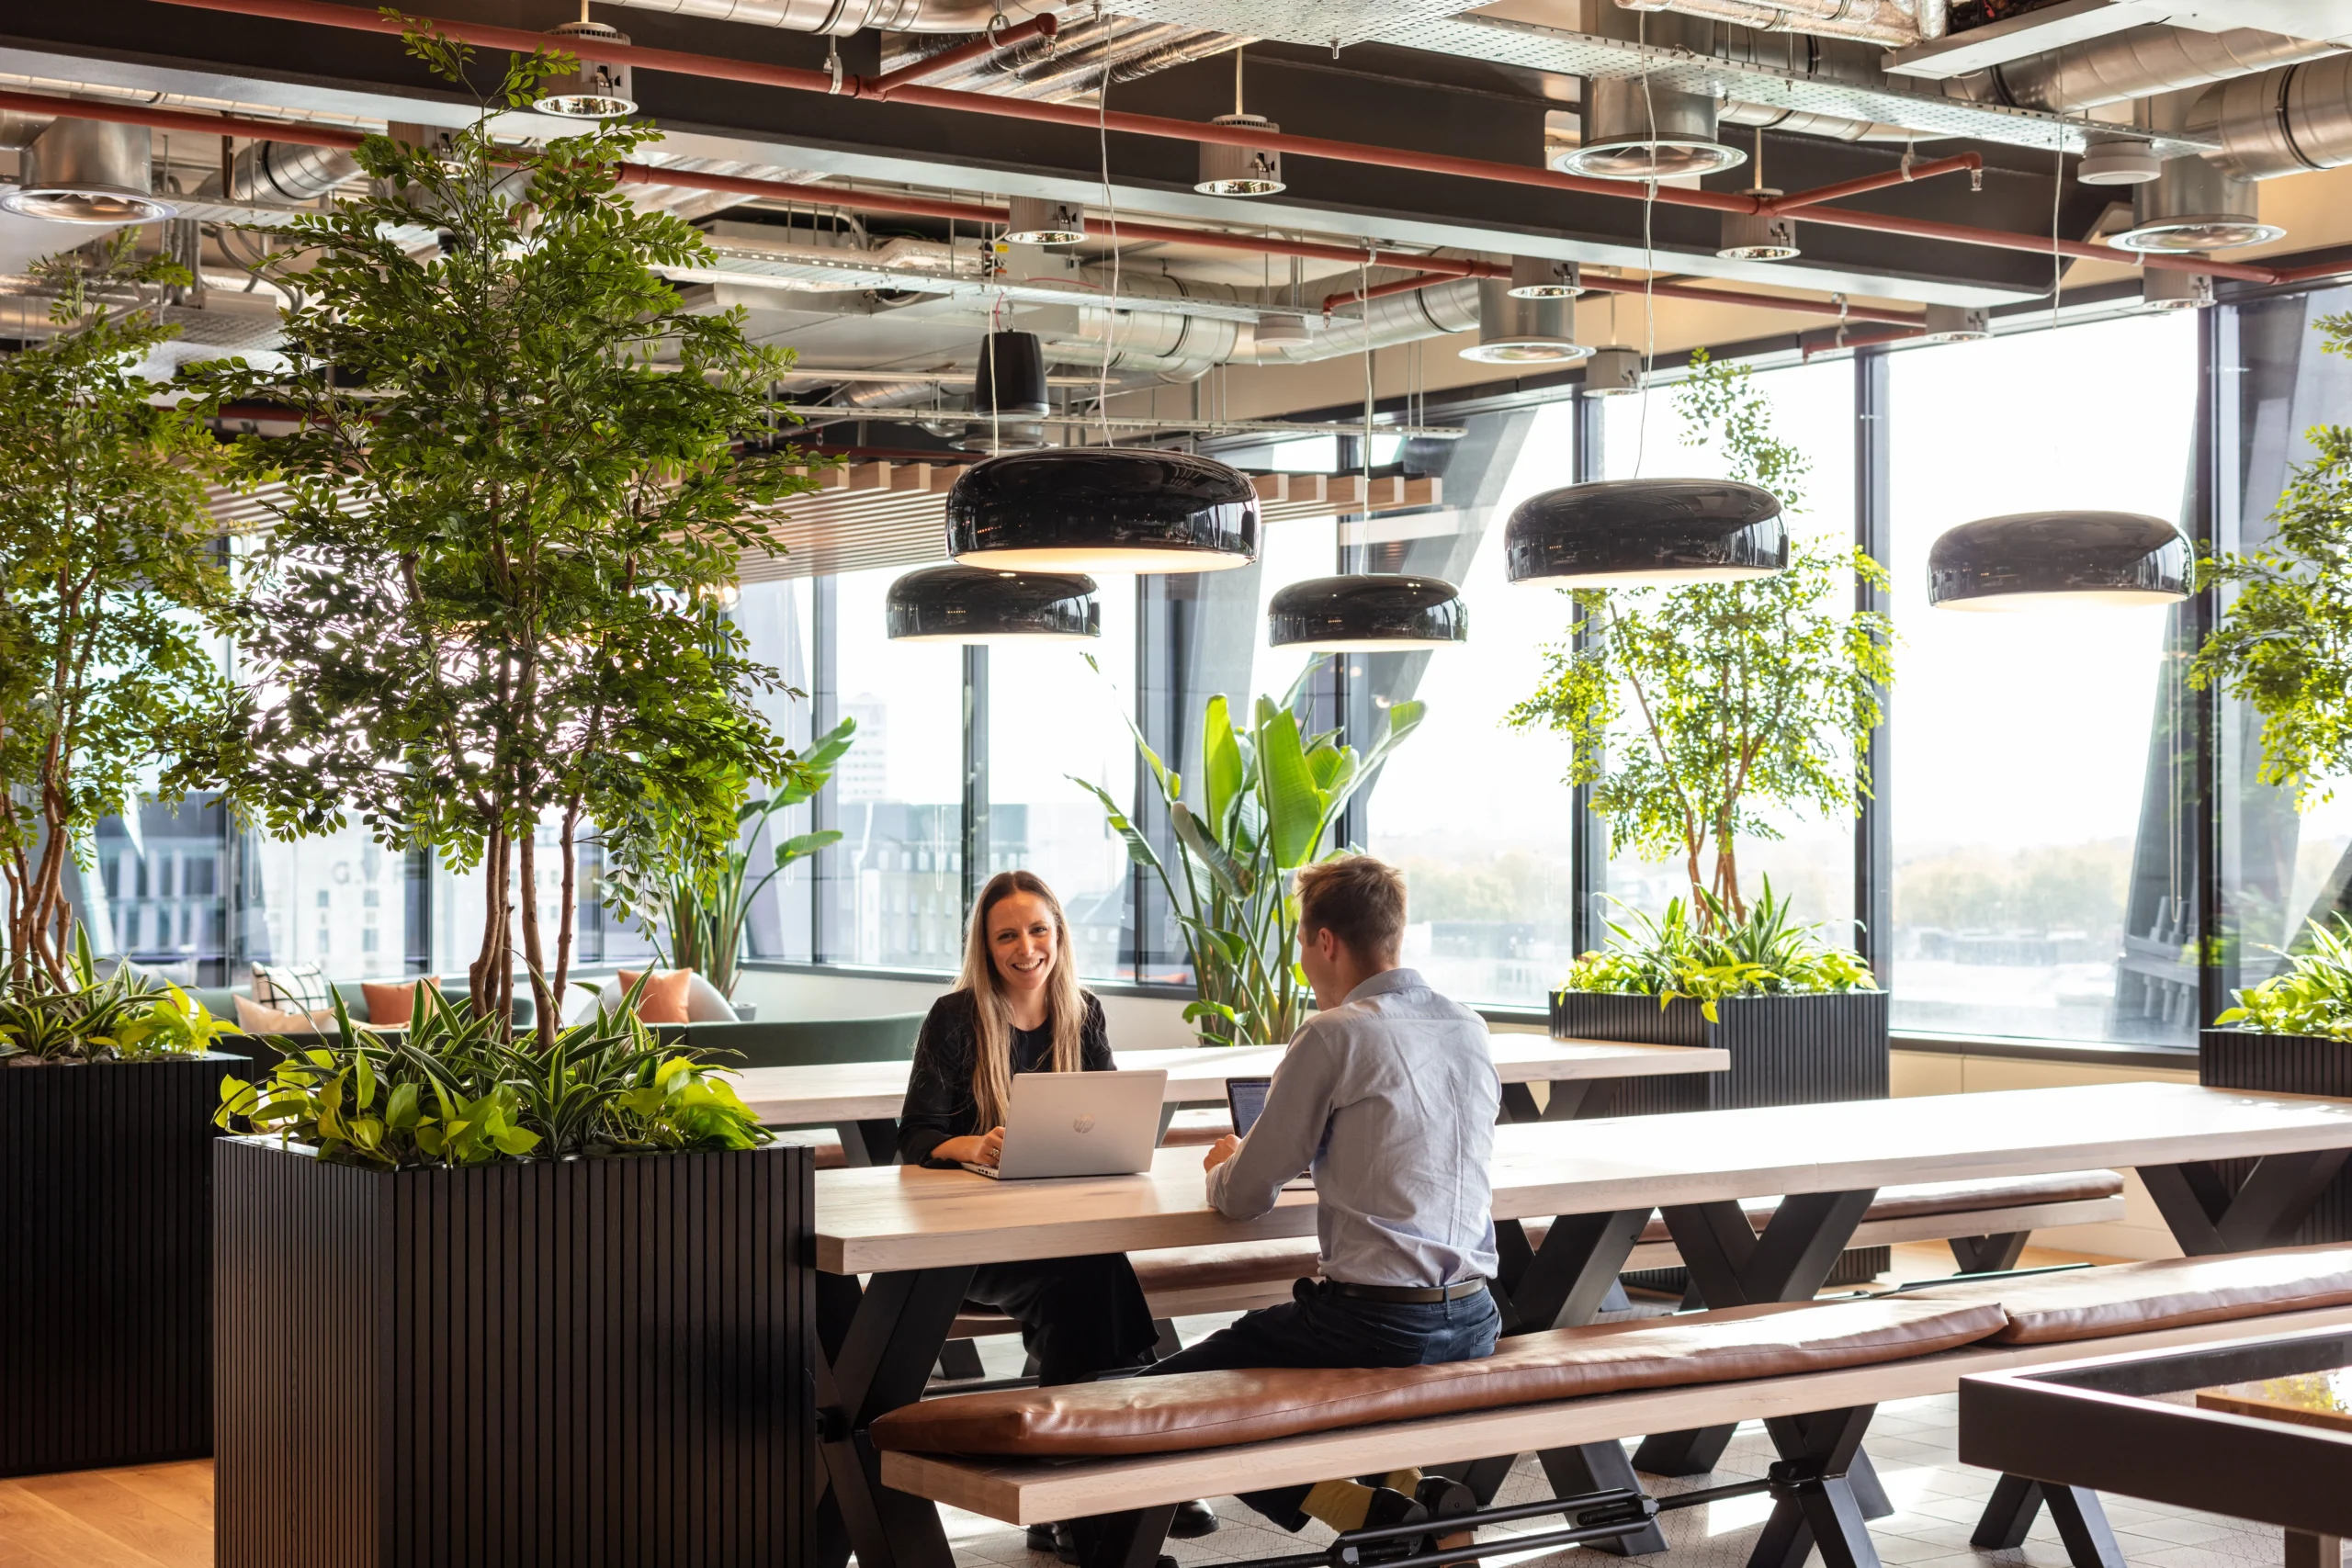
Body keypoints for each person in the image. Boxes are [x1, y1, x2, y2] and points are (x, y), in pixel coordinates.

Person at [1142, 853, 1502, 1544]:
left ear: (1325, 941)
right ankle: (1411, 1488)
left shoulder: (1335, 1032)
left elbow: (1246, 1196)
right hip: (1477, 1318)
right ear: (1392, 933)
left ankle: (1363, 1510)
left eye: (1304, 945)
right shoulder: (1469, 1026)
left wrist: (1225, 1163)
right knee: (1266, 1342)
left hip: (1377, 1326)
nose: (1305, 961)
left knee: (1170, 1396)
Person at [897, 869, 1216, 1552]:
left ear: (1059, 934)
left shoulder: (1084, 1012)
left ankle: (1081, 1483)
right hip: (972, 1240)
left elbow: (1106, 1116)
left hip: (1063, 1225)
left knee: (1092, 1273)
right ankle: (1111, 1479)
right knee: (1090, 1281)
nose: (1026, 946)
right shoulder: (955, 1017)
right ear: (985, 945)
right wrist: (973, 1143)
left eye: (1038, 929)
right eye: (1006, 934)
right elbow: (915, 1136)